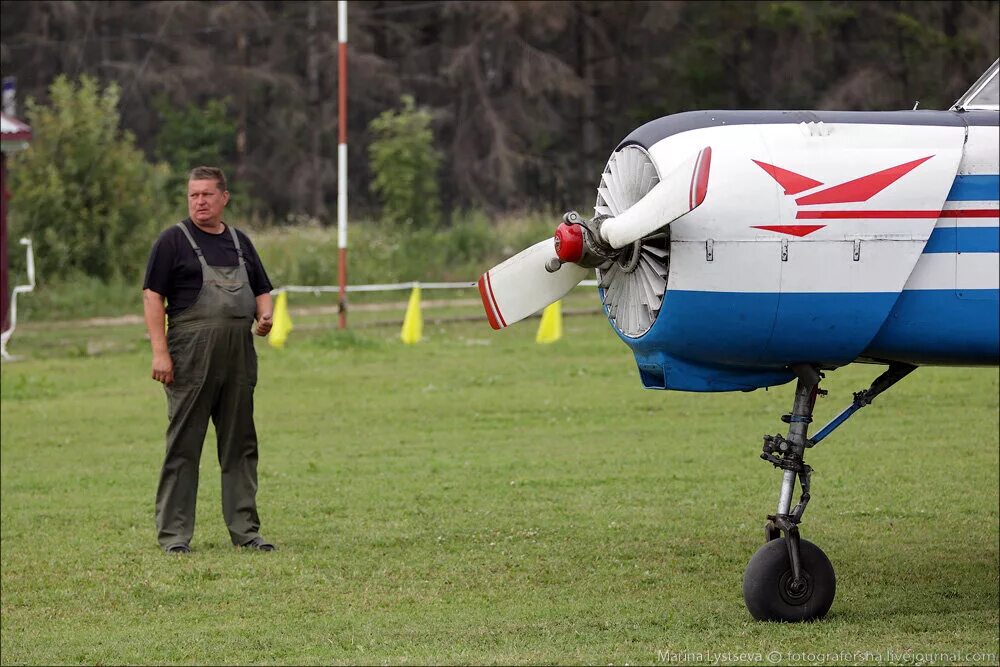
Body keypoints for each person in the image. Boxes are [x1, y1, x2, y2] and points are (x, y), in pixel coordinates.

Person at [142, 166, 276, 554]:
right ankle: (174, 537)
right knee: (184, 446)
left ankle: (246, 532)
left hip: (238, 359)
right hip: (190, 357)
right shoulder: (173, 241)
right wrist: (159, 351)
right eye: (193, 195)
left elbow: (262, 289)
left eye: (206, 195)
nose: (199, 202)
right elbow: (153, 296)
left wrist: (265, 316)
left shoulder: (240, 242)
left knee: (240, 445)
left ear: (224, 198)